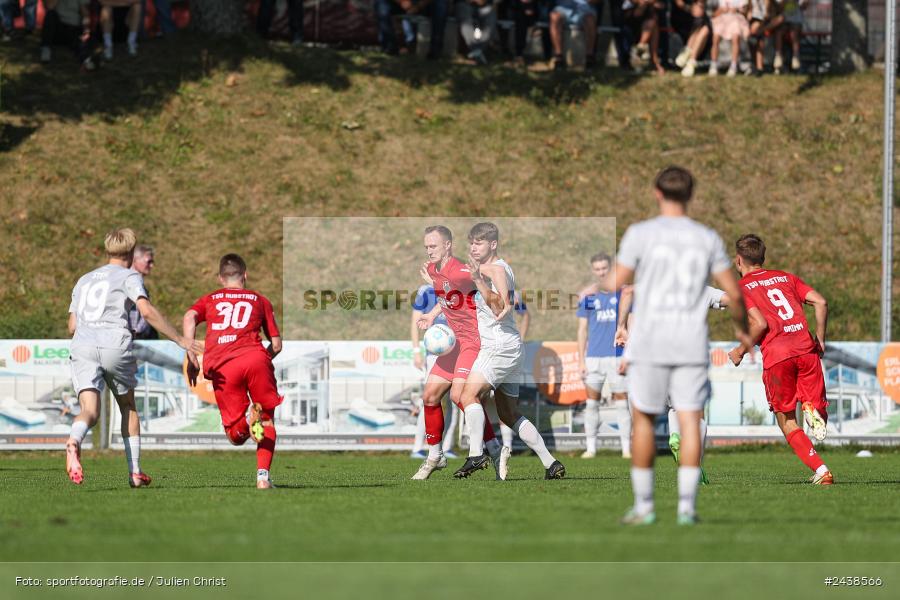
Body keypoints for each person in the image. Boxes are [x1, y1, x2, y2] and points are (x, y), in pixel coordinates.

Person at [609, 166, 749, 526]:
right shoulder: (706, 238)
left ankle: (644, 507)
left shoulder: (641, 234)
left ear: (657, 192)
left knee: (643, 422)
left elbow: (618, 281)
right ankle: (686, 508)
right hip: (689, 344)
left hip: (652, 342)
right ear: (691, 195)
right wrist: (743, 331)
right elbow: (733, 294)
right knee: (690, 421)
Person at [65, 228, 201, 487]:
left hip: (82, 345)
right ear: (130, 251)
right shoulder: (129, 276)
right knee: (127, 405)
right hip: (114, 343)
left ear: (107, 250)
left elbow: (72, 325)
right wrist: (181, 339)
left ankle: (74, 441)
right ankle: (135, 472)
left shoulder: (84, 280)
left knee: (89, 410)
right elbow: (146, 311)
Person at [455, 222, 566, 480]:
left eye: (479, 242)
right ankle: (551, 463)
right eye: (471, 242)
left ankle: (475, 454)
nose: (473, 247)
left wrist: (477, 280)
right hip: (508, 347)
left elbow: (499, 307)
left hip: (499, 346)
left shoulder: (497, 269)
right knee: (508, 413)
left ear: (493, 244)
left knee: (466, 395)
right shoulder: (485, 269)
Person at [728, 234, 833, 484]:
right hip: (805, 348)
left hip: (778, 355)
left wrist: (740, 351)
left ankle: (822, 471)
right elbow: (821, 302)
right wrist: (820, 338)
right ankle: (812, 408)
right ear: (762, 258)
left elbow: (761, 324)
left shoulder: (741, 288)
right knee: (815, 407)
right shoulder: (786, 278)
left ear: (738, 260)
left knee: (786, 420)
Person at [183, 254, 283, 490]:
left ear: (220, 278)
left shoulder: (210, 299)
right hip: (256, 358)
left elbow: (189, 316)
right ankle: (262, 478)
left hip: (224, 366)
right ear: (245, 275)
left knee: (235, 436)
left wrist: (190, 353)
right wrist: (261, 360)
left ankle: (248, 419)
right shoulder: (260, 300)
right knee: (267, 420)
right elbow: (277, 344)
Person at [411, 226, 501, 480]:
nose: (429, 251)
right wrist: (430, 314)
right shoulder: (432, 270)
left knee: (460, 397)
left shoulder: (461, 271)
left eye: (434, 246)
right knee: (429, 396)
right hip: (454, 342)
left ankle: (490, 447)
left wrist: (496, 282)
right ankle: (435, 456)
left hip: (472, 340)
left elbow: (486, 276)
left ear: (448, 245)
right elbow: (447, 297)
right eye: (427, 246)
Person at [576, 253, 632, 459]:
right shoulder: (589, 298)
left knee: (621, 402)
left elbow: (631, 325)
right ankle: (591, 448)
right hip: (593, 358)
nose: (601, 272)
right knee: (592, 403)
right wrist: (581, 359)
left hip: (617, 355)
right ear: (593, 271)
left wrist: (628, 355)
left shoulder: (624, 294)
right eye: (597, 269)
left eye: (604, 268)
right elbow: (582, 330)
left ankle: (626, 449)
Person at [410, 280, 459, 459]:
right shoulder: (424, 290)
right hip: (433, 352)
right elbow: (415, 322)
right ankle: (417, 447)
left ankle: (447, 447)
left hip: (457, 351)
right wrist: (416, 351)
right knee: (430, 398)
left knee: (455, 400)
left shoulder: (456, 286)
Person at [375, 0, 449, 59]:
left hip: (424, 4)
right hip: (402, 4)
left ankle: (435, 50)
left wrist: (418, 6)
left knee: (441, 3)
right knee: (381, 2)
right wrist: (402, 1)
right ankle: (390, 48)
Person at [38, 0, 96, 71]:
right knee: (50, 15)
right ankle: (45, 48)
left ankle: (86, 60)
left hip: (73, 27)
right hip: (58, 27)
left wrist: (86, 29)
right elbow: (49, 7)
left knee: (81, 41)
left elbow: (85, 13)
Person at [549, 0, 599, 71]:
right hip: (562, 8)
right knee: (554, 17)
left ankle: (589, 57)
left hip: (585, 9)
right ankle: (558, 56)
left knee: (590, 20)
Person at [623, 0, 666, 75]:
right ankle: (654, 61)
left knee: (653, 21)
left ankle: (640, 50)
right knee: (652, 22)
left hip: (647, 16)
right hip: (631, 14)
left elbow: (661, 4)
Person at [709, 0, 750, 76]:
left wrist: (737, 10)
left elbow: (746, 12)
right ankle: (713, 64)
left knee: (735, 38)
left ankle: (733, 66)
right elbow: (713, 14)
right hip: (722, 19)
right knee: (715, 38)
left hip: (736, 19)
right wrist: (721, 10)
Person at [673, 0, 712, 77]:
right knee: (703, 25)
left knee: (705, 29)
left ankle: (689, 55)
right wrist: (690, 8)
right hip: (683, 17)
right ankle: (691, 60)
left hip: (700, 20)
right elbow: (680, 4)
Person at [128, 244, 158, 339]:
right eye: (148, 261)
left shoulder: (137, 281)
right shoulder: (129, 280)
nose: (151, 265)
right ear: (135, 259)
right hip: (131, 337)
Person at [457, 0, 497, 65]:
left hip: (485, 6)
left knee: (491, 17)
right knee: (466, 22)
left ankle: (477, 51)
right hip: (465, 4)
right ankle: (478, 51)